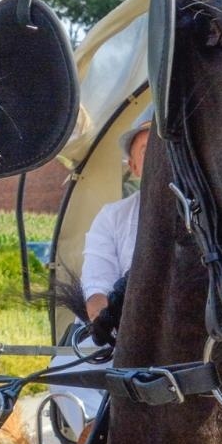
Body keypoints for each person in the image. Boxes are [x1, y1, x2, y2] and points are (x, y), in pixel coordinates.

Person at [82, 106, 151, 323]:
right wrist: (104, 319)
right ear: (133, 166)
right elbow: (97, 286)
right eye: (147, 150)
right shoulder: (112, 218)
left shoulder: (205, 215)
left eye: (167, 148)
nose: (160, 158)